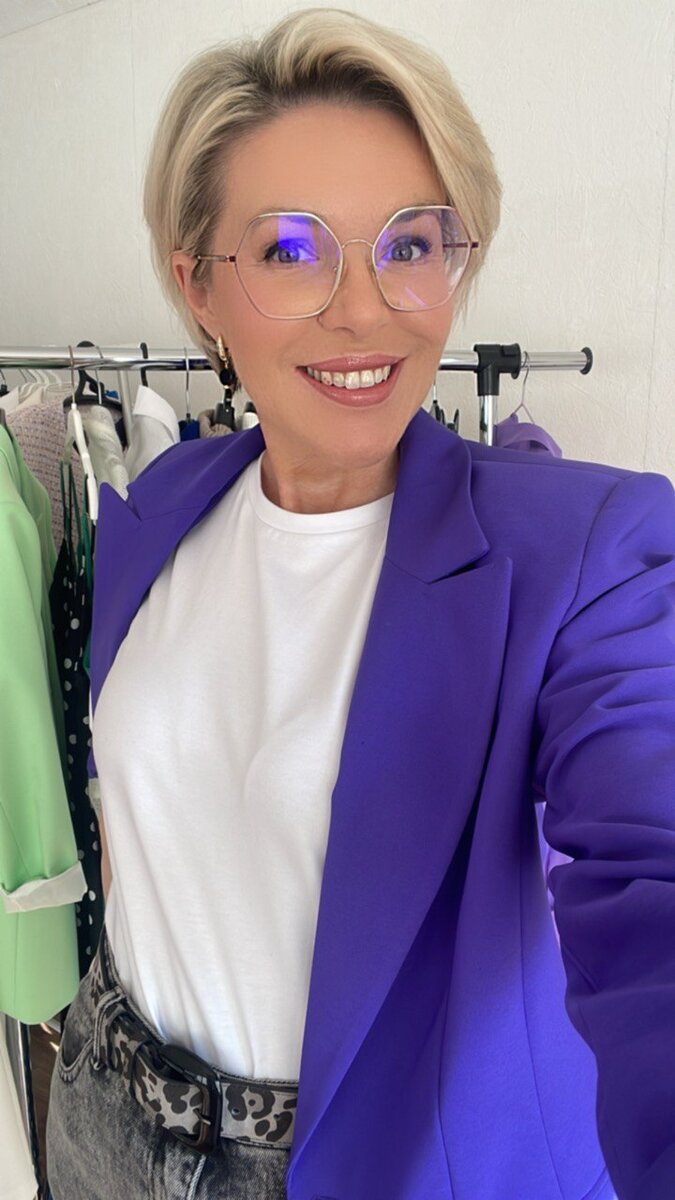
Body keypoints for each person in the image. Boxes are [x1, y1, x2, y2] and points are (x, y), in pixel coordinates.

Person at [46, 7, 675, 1200]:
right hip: (103, 1108)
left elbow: (655, 871)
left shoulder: (585, 554)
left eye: (410, 242)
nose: (366, 309)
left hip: (356, 1161)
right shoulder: (163, 500)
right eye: (290, 249)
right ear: (198, 288)